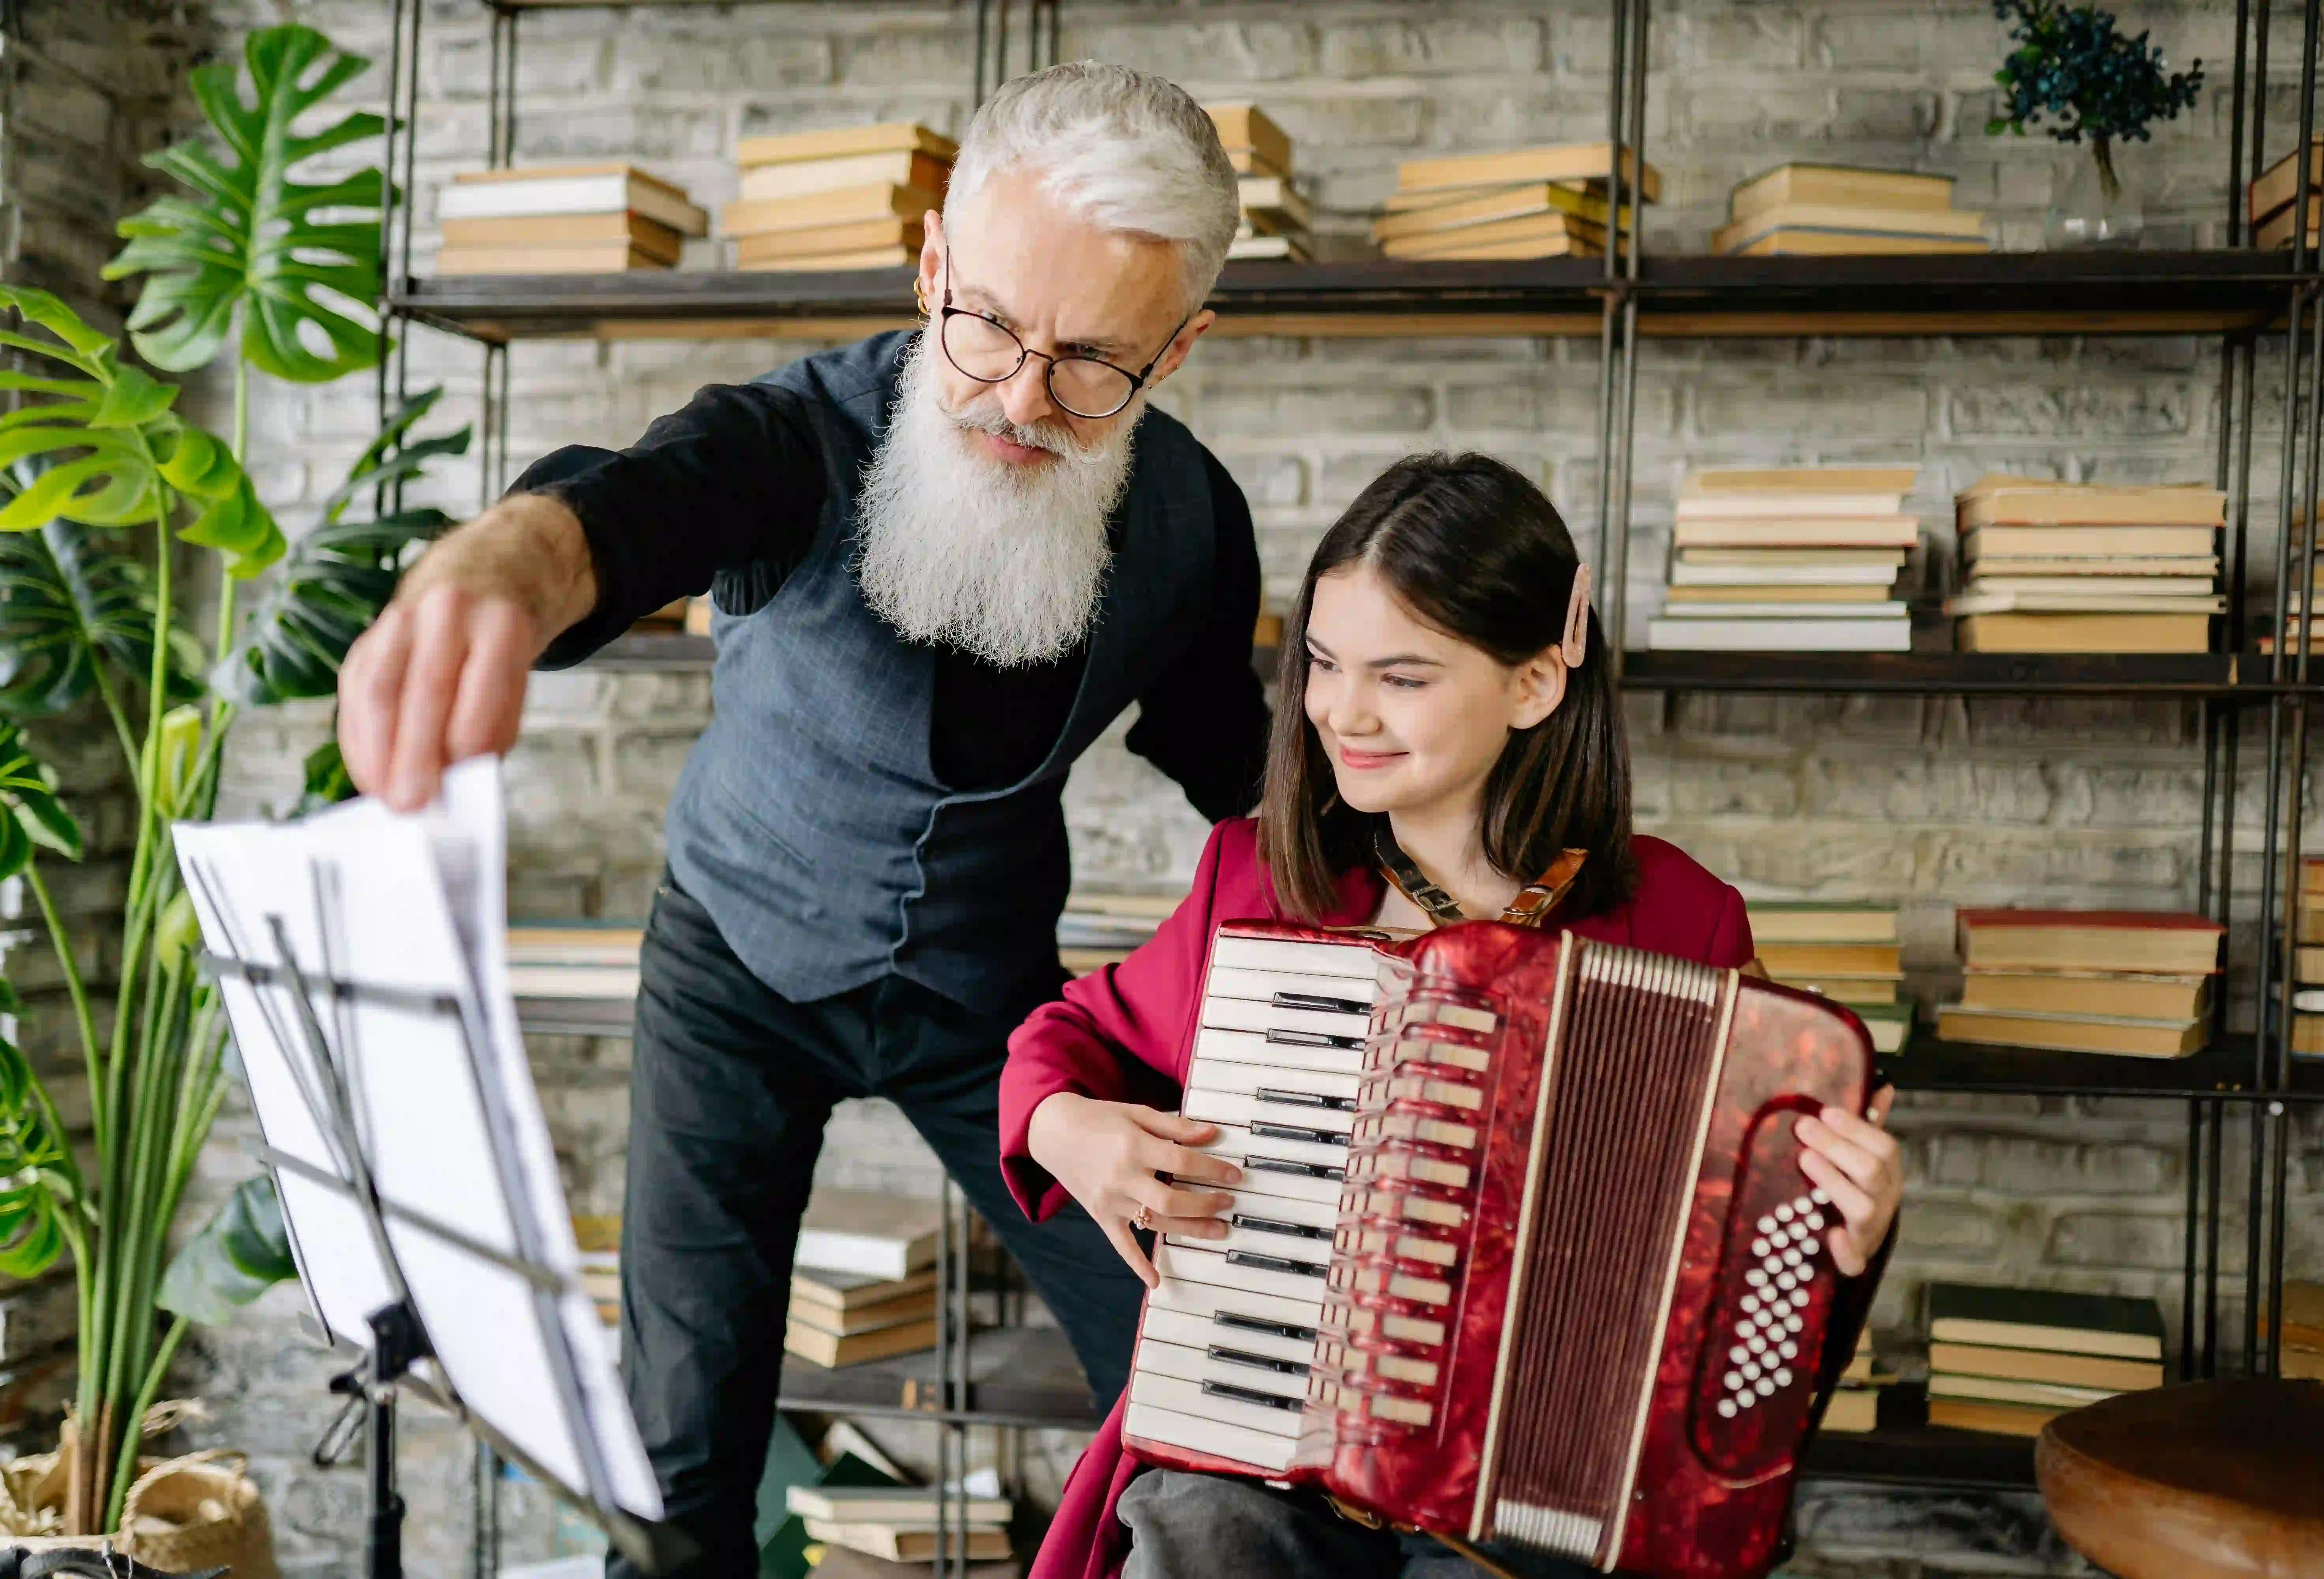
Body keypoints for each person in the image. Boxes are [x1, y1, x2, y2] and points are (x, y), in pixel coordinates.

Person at [334, 64, 1270, 1576]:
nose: (1025, 399)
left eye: (1096, 361)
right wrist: (495, 567)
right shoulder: (797, 438)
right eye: (989, 326)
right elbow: (628, 507)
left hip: (992, 1009)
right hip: (736, 971)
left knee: (1193, 1376)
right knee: (680, 1466)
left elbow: (1234, 762)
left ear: (1180, 348)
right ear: (932, 265)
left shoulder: (1193, 525)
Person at [998, 453, 1906, 1579]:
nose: (1344, 711)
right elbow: (1068, 1041)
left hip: (1536, 1501)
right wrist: (1066, 1130)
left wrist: (1845, 1236)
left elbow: (1758, 1278)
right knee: (1201, 1546)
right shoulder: (1259, 882)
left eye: (1405, 677)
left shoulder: (1683, 921)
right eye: (1324, 664)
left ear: (1533, 683)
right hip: (1266, 1450)